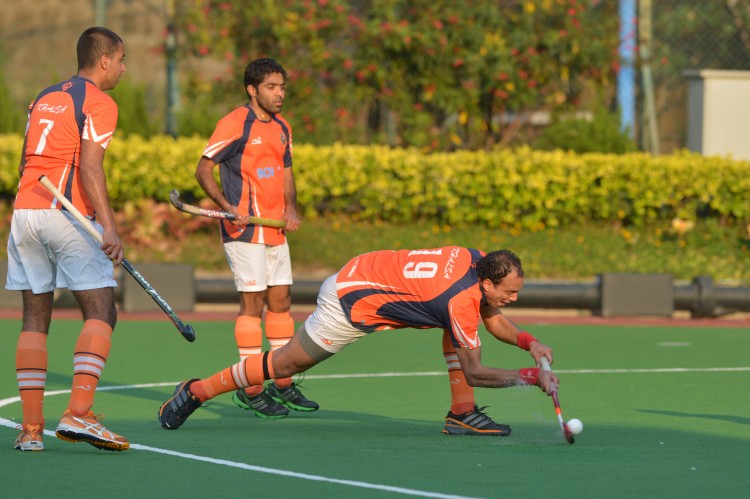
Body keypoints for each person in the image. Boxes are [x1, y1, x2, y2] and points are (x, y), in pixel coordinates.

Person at [158, 247, 559, 435]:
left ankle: (462, 414)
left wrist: (529, 342)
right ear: (487, 282)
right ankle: (196, 391)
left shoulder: (477, 260)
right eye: (510, 292)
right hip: (349, 302)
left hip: (367, 272)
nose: (514, 298)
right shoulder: (460, 300)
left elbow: (488, 314)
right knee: (284, 364)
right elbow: (475, 372)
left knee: (455, 329)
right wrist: (531, 376)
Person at [6, 27, 128, 451]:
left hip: (25, 211)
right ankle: (79, 412)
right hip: (67, 216)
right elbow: (91, 167)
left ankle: (30, 431)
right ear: (105, 60)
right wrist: (109, 226)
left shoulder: (43, 97)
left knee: (34, 318)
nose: (124, 69)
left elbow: (24, 161)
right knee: (101, 310)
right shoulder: (99, 102)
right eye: (122, 60)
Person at [193, 57, 318, 419]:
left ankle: (282, 381)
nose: (280, 94)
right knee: (253, 306)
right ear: (252, 89)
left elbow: (286, 171)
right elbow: (203, 170)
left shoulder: (282, 127)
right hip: (243, 231)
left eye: (282, 87)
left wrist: (291, 209)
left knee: (281, 303)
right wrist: (226, 206)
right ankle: (250, 389)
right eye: (271, 87)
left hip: (274, 229)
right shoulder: (235, 123)